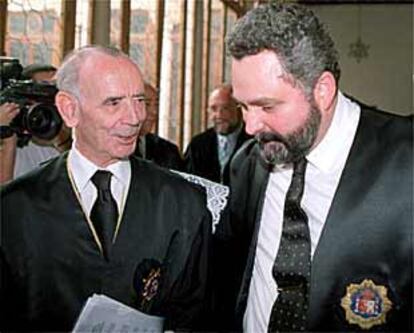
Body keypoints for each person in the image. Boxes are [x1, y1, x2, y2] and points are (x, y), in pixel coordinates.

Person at [213, 3, 412, 332]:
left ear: (322, 90)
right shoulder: (246, 165)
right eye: (243, 106)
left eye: (266, 105)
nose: (249, 126)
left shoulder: (405, 164)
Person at [0, 45, 212, 331]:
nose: (135, 117)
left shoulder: (183, 202)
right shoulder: (13, 208)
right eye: (114, 103)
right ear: (69, 109)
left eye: (139, 100)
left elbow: (197, 315)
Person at [0, 63, 72, 184]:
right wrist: (8, 135)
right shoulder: (8, 140)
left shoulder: (51, 146)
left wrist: (61, 136)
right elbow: (3, 194)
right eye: (39, 93)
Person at [184, 84, 251, 184]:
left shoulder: (254, 142)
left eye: (225, 108)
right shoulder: (198, 145)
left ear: (239, 108)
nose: (219, 115)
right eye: (214, 109)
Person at [134, 82, 183, 170]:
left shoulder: (169, 151)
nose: (154, 112)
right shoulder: (114, 149)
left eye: (156, 105)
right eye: (147, 104)